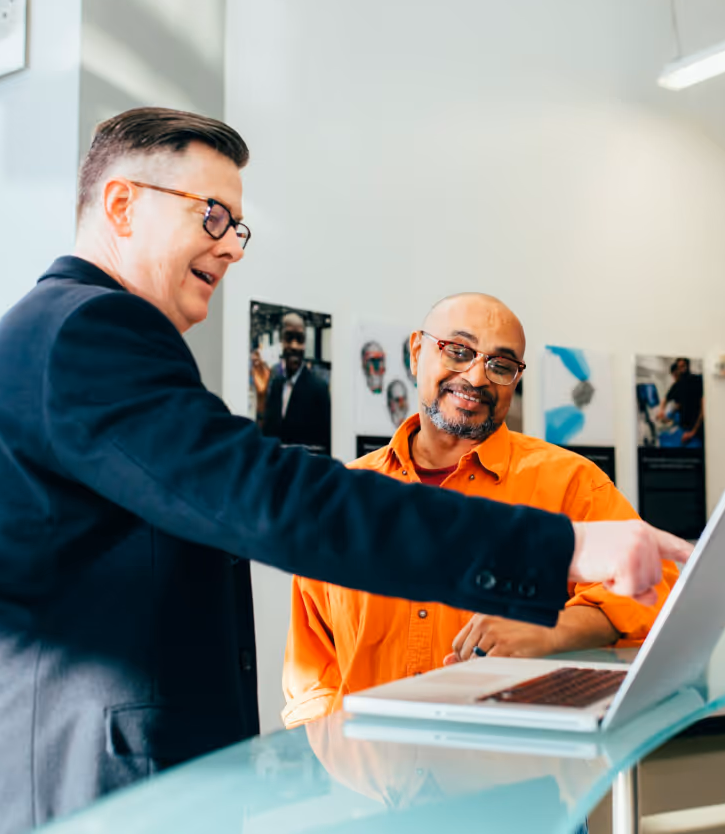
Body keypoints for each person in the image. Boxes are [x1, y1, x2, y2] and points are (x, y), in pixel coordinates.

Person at [0, 107, 692, 834]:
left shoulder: (62, 332)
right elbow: (273, 500)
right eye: (210, 215)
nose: (229, 245)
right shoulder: (91, 331)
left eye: (237, 226)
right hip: (66, 789)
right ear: (120, 206)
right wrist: (560, 550)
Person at [282, 295, 678, 727]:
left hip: (511, 774)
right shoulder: (346, 496)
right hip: (370, 780)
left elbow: (660, 587)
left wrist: (552, 628)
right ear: (417, 352)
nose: (476, 377)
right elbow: (312, 669)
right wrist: (334, 766)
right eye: (458, 350)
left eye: (501, 365)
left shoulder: (570, 482)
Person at [252, 311, 331, 453]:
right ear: (281, 340)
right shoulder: (275, 384)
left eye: (299, 339)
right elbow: (266, 436)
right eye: (289, 338)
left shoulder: (318, 388)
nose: (294, 346)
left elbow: (325, 448)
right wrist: (261, 397)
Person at [658, 357, 704, 447]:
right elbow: (667, 399)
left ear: (688, 366)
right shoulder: (678, 384)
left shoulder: (698, 380)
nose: (681, 370)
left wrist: (693, 432)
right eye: (679, 367)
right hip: (684, 429)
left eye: (683, 366)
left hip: (697, 431)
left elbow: (703, 409)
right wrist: (662, 411)